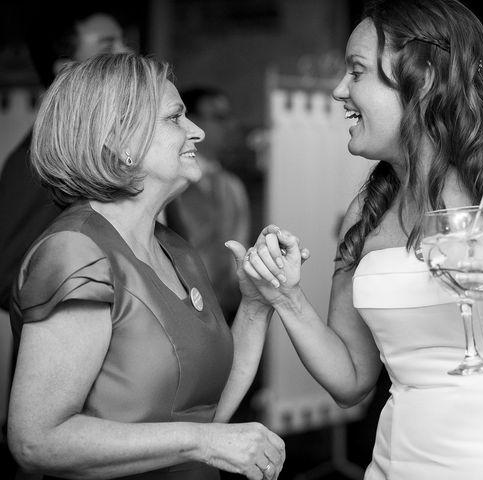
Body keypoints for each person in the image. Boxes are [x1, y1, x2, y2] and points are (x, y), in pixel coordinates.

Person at [239, 0, 483, 478]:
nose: (339, 90)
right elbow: (351, 380)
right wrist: (287, 298)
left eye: (357, 71)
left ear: (424, 77)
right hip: (402, 462)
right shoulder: (364, 215)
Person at [7, 53, 285, 480]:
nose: (198, 132)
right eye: (176, 118)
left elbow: (207, 413)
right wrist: (202, 443)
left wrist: (255, 304)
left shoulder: (178, 251)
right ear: (120, 141)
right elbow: (37, 440)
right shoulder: (76, 251)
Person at [0, 5, 132, 312]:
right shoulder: (38, 160)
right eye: (108, 45)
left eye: (124, 41)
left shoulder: (130, 147)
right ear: (66, 71)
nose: (127, 53)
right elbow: (8, 279)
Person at [165, 87, 251, 322]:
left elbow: (239, 243)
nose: (229, 125)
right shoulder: (168, 181)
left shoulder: (233, 186)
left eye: (228, 117)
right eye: (219, 117)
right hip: (178, 307)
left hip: (225, 311)